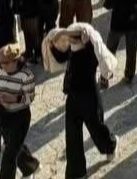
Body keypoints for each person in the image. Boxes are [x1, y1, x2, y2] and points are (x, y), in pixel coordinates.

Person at [43, 23, 117, 179]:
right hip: (73, 98)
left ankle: (110, 145)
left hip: (90, 97)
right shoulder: (72, 48)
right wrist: (52, 45)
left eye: (74, 38)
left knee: (97, 129)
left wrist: (89, 36)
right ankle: (76, 173)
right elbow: (61, 56)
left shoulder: (90, 51)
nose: (71, 41)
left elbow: (99, 51)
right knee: (72, 136)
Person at [0, 43, 39, 179]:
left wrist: (13, 98)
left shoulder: (26, 75)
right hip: (4, 115)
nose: (1, 65)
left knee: (9, 153)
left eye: (5, 62)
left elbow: (29, 97)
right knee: (13, 145)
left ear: (15, 61)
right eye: (0, 62)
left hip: (20, 117)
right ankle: (31, 167)